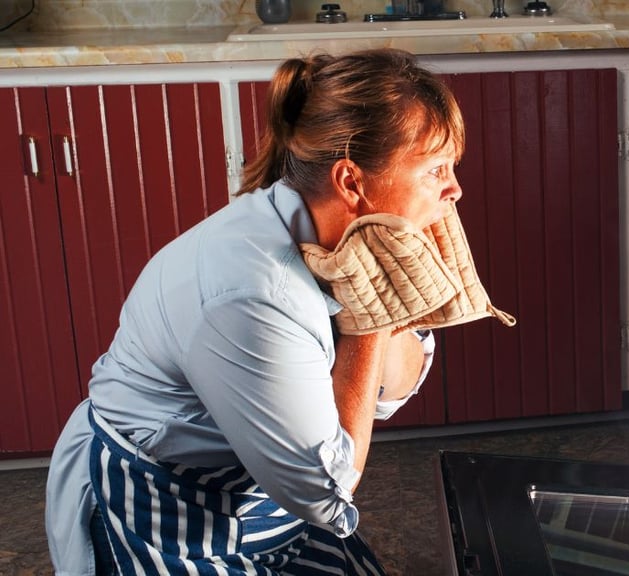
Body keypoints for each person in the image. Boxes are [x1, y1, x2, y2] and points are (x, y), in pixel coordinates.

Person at [45, 48, 466, 575]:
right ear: (352, 182)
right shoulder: (256, 293)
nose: (455, 190)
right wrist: (369, 321)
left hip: (258, 484)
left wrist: (386, 304)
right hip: (161, 503)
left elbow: (387, 394)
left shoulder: (348, 246)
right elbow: (325, 492)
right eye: (435, 170)